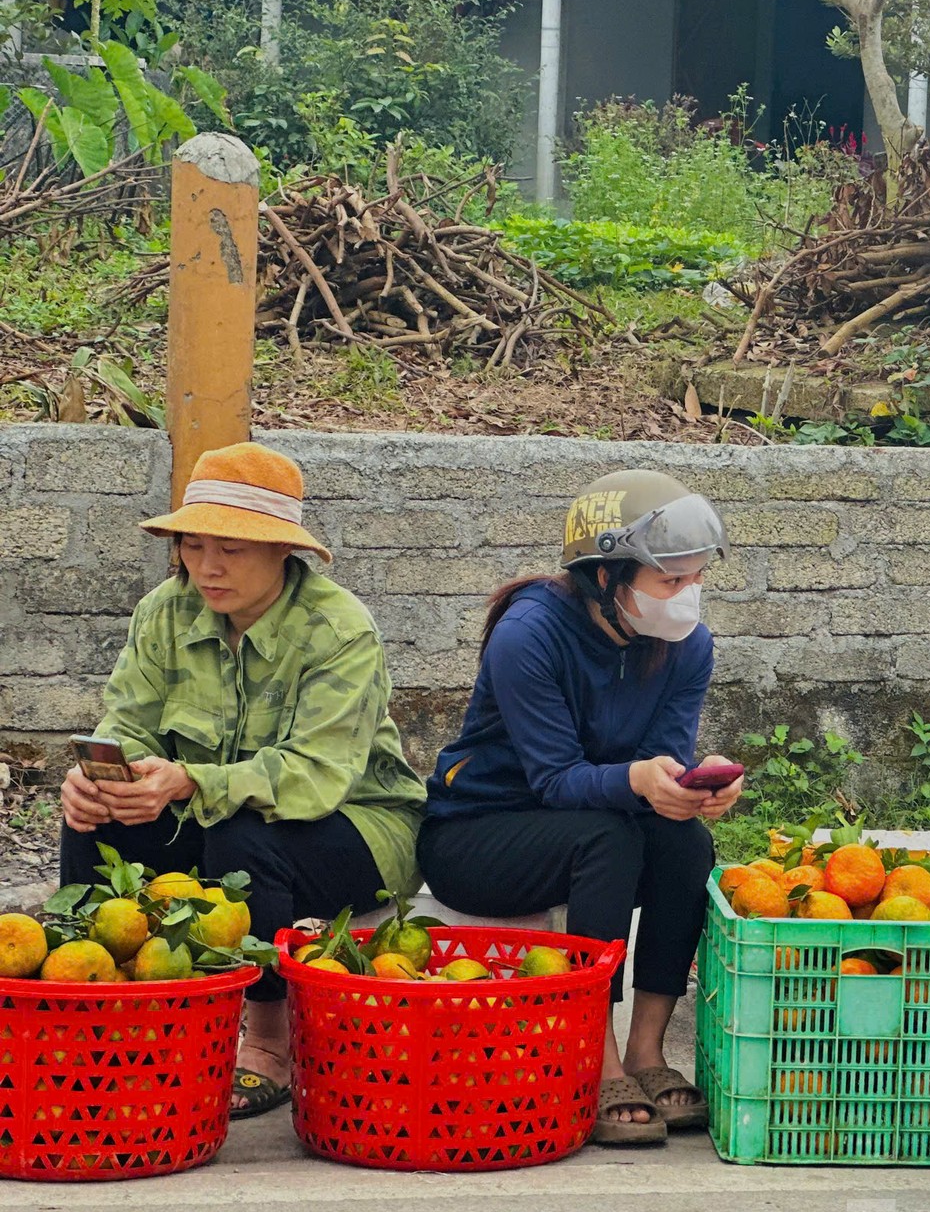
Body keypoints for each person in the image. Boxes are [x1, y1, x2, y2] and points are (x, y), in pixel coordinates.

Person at [59, 442, 426, 1118]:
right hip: (207, 814)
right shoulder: (164, 612)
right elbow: (129, 724)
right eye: (194, 547)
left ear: (283, 553)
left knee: (242, 833)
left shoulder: (340, 630)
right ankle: (93, 1019)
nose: (208, 566)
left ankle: (267, 1044)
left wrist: (190, 782)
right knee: (94, 819)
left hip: (358, 831)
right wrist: (107, 778)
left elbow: (315, 777)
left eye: (232, 548)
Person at [419, 471, 743, 1145]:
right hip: (478, 834)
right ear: (605, 577)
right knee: (608, 838)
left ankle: (648, 1051)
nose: (687, 599)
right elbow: (555, 779)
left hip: (592, 822)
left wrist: (690, 789)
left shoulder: (690, 646)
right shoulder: (529, 635)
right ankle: (595, 1060)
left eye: (696, 580)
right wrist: (637, 780)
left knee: (685, 843)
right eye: (670, 582)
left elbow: (661, 758)